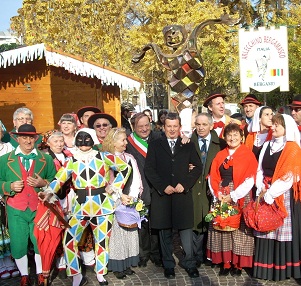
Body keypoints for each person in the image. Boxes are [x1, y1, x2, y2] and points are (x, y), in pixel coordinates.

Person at [40, 128, 131, 286]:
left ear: (93, 139)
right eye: (80, 139)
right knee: (69, 241)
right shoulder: (72, 160)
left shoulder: (104, 157)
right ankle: (76, 275)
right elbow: (60, 178)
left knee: (102, 242)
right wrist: (48, 192)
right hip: (80, 207)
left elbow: (125, 168)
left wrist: (115, 187)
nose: (83, 143)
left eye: (87, 138)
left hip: (103, 205)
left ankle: (101, 273)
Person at [144, 112, 202, 279]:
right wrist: (162, 187)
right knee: (164, 232)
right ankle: (168, 264)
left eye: (175, 126)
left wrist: (185, 184)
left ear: (180, 127)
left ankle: (189, 263)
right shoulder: (155, 145)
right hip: (163, 195)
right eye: (168, 126)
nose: (171, 129)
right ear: (164, 127)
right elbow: (149, 169)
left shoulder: (188, 145)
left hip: (181, 194)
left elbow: (197, 167)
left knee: (185, 231)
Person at [0, 124, 57, 286]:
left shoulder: (45, 159)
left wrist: (43, 183)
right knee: (18, 243)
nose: (27, 141)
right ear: (17, 139)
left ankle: (40, 274)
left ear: (35, 139)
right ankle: (24, 276)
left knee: (40, 241)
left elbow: (55, 181)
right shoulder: (4, 160)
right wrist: (9, 186)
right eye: (23, 137)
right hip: (15, 208)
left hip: (39, 207)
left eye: (30, 137)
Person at [253, 114, 301, 281]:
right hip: (264, 190)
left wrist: (272, 193)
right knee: (265, 228)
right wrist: (261, 187)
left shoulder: (293, 148)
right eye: (272, 124)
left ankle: (282, 269)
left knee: (280, 231)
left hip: (282, 195)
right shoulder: (266, 145)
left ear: (286, 128)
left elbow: (291, 175)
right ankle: (264, 268)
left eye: (277, 126)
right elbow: (259, 169)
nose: (272, 127)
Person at [207, 123, 258, 277]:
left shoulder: (247, 154)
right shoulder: (220, 154)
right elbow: (213, 176)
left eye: (236, 135)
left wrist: (235, 195)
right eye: (229, 135)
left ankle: (238, 263)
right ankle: (226, 262)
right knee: (222, 228)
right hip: (222, 193)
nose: (232, 138)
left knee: (240, 230)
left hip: (240, 194)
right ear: (225, 137)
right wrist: (217, 194)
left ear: (241, 137)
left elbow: (251, 178)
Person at [102, 128, 142, 279]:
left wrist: (132, 197)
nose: (126, 142)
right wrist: (118, 197)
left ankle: (127, 263)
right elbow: (106, 181)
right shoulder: (106, 158)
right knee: (117, 235)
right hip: (113, 200)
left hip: (128, 199)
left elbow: (136, 177)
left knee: (128, 233)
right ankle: (117, 265)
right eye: (123, 140)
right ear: (112, 142)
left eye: (126, 139)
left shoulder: (129, 158)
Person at [190, 113, 227, 267]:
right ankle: (196, 255)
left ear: (211, 126)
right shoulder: (188, 142)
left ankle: (210, 254)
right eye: (198, 124)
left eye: (204, 124)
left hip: (212, 189)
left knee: (211, 222)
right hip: (194, 189)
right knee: (195, 223)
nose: (201, 127)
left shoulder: (221, 144)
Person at [126, 112, 162, 268]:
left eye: (147, 125)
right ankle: (143, 253)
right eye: (140, 126)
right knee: (142, 224)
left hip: (158, 188)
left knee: (157, 223)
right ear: (134, 127)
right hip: (140, 189)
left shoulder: (160, 138)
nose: (144, 129)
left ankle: (156, 253)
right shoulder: (128, 143)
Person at [38, 130, 74, 279]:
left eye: (61, 141)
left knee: (70, 228)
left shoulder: (69, 156)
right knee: (57, 229)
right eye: (56, 141)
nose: (59, 144)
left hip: (70, 195)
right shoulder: (46, 158)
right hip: (55, 197)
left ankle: (71, 260)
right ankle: (60, 264)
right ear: (48, 143)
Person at [0, 121, 19, 280]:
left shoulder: (8, 148)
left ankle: (10, 262)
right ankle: (1, 265)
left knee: (7, 230)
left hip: (8, 193)